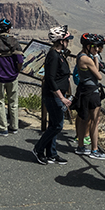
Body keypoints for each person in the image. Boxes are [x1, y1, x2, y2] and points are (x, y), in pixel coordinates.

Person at [32, 26, 74, 165]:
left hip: (56, 95)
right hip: (53, 96)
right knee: (57, 125)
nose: (68, 42)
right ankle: (39, 149)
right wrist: (61, 97)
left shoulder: (59, 54)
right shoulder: (53, 56)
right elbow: (50, 79)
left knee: (54, 124)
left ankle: (51, 153)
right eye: (66, 40)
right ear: (61, 41)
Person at [74, 33, 105, 160]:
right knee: (95, 121)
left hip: (84, 90)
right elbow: (99, 75)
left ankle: (81, 146)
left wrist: (94, 57)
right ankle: (94, 150)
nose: (97, 49)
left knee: (84, 118)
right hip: (91, 92)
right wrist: (95, 57)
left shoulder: (80, 55)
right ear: (88, 46)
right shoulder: (86, 59)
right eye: (94, 46)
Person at [0, 18, 23, 136]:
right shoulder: (15, 42)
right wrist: (16, 72)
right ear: (8, 29)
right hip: (12, 76)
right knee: (13, 101)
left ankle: (2, 128)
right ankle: (14, 127)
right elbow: (20, 61)